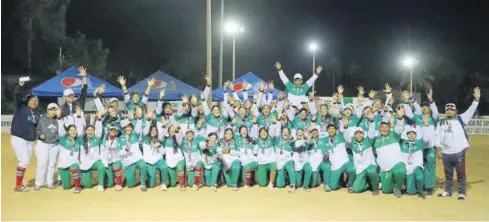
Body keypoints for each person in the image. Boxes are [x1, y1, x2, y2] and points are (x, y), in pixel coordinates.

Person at [435, 87, 480, 200]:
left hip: (459, 151)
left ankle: (461, 192)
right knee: (448, 174)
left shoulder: (461, 119)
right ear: (445, 111)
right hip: (446, 152)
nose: (449, 111)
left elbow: (471, 110)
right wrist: (438, 149)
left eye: (451, 109)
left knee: (461, 173)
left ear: (455, 111)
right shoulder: (441, 123)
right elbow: (437, 136)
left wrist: (476, 100)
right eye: (447, 109)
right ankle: (447, 191)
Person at [11, 77, 40, 192]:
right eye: (31, 100)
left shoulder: (37, 114)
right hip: (19, 138)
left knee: (25, 161)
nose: (34, 102)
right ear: (27, 101)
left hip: (29, 141)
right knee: (24, 160)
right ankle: (18, 185)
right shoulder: (21, 108)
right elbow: (17, 97)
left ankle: (20, 183)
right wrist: (19, 87)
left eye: (36, 101)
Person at [372, 108, 406, 198]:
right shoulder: (376, 139)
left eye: (386, 127)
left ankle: (397, 187)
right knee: (386, 191)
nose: (384, 129)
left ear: (389, 128)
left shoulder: (394, 135)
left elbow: (399, 128)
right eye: (382, 127)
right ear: (379, 129)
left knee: (400, 171)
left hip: (396, 163)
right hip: (384, 168)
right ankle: (391, 183)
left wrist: (400, 117)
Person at [343, 124, 379, 195]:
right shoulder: (352, 143)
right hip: (360, 167)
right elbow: (347, 137)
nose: (359, 135)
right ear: (354, 135)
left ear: (363, 134)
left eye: (361, 133)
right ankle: (369, 184)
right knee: (356, 189)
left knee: (372, 171)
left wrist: (371, 122)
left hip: (370, 165)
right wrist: (346, 127)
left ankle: (375, 187)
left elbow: (371, 132)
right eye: (357, 134)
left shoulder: (369, 140)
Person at [57, 107, 85, 193]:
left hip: (74, 165)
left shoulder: (79, 140)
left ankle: (77, 186)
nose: (73, 132)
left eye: (74, 130)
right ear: (68, 132)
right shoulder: (63, 139)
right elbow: (61, 129)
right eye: (71, 130)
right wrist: (59, 118)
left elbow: (80, 130)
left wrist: (79, 116)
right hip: (63, 166)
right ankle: (74, 181)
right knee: (66, 187)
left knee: (74, 167)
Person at [34, 103, 63, 190]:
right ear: (47, 110)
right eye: (51, 109)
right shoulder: (42, 118)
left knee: (52, 164)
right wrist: (40, 134)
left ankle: (49, 182)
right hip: (43, 144)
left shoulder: (59, 120)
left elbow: (62, 132)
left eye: (54, 109)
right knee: (42, 163)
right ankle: (38, 183)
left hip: (55, 144)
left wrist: (59, 118)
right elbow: (37, 129)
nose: (53, 111)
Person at [118, 120, 148, 191]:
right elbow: (119, 152)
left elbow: (138, 128)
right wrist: (125, 150)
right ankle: (129, 178)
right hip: (128, 162)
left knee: (143, 165)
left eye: (130, 127)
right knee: (130, 185)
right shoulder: (120, 138)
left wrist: (139, 119)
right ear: (124, 128)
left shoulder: (135, 135)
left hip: (138, 159)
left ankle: (143, 183)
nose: (129, 129)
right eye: (127, 127)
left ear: (132, 129)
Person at [79, 113, 105, 191]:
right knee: (88, 186)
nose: (90, 132)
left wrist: (99, 119)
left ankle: (101, 184)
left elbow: (99, 129)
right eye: (88, 130)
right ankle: (86, 181)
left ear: (94, 131)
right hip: (85, 163)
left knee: (101, 166)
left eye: (92, 130)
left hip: (95, 162)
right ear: (86, 131)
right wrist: (78, 117)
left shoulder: (97, 138)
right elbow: (79, 129)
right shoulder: (81, 139)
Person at [400, 127, 427, 199]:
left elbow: (423, 135)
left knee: (419, 176)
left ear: (416, 135)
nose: (411, 136)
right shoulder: (403, 143)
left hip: (417, 166)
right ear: (407, 135)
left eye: (413, 134)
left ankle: (421, 191)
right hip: (407, 167)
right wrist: (407, 166)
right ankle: (407, 187)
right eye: (409, 134)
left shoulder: (420, 143)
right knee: (410, 192)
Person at [142, 125, 169, 190]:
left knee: (164, 167)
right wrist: (152, 145)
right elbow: (147, 152)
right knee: (151, 186)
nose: (153, 131)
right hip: (149, 161)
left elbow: (163, 152)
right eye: (151, 130)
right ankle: (145, 181)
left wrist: (159, 146)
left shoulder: (158, 140)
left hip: (158, 160)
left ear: (157, 132)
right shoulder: (145, 139)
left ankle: (163, 183)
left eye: (154, 130)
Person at [274, 127, 297, 192]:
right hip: (279, 161)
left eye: (287, 131)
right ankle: (286, 179)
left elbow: (293, 140)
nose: (285, 133)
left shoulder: (290, 141)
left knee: (291, 170)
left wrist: (292, 138)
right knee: (279, 185)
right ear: (281, 133)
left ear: (289, 133)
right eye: (284, 131)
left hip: (288, 160)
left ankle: (293, 185)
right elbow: (273, 134)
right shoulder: (278, 139)